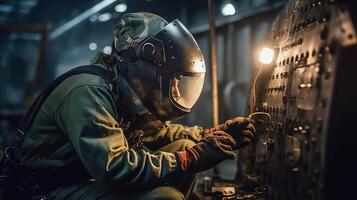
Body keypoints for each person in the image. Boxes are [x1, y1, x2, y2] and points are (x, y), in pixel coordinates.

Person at [14, 12, 255, 199]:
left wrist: (208, 134)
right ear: (141, 61)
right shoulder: (89, 91)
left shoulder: (122, 90)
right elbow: (114, 168)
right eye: (172, 80)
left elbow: (157, 133)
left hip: (84, 177)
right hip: (48, 188)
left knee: (185, 143)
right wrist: (190, 158)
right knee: (165, 197)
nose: (173, 90)